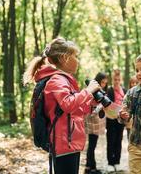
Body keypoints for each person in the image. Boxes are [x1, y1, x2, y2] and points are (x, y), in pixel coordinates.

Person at [23, 37, 101, 174]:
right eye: (75, 56)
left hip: (70, 141)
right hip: (64, 142)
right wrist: (87, 91)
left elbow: (75, 110)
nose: (78, 60)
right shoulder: (57, 80)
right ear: (65, 58)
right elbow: (68, 104)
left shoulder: (63, 79)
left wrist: (92, 103)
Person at [84, 72, 108, 174]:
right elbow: (90, 108)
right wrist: (99, 107)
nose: (103, 85)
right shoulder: (92, 91)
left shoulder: (101, 92)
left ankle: (90, 166)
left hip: (96, 123)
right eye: (102, 82)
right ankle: (90, 168)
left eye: (105, 83)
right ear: (98, 80)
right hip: (92, 122)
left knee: (92, 145)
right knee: (92, 146)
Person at [106, 69, 126, 172]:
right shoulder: (109, 90)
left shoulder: (124, 90)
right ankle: (110, 163)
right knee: (111, 141)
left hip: (120, 120)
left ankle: (117, 162)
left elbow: (126, 104)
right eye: (115, 79)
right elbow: (108, 104)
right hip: (111, 119)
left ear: (121, 80)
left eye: (118, 79)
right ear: (112, 80)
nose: (116, 81)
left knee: (119, 140)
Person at [125, 75, 138, 140]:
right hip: (130, 121)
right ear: (130, 84)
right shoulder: (128, 94)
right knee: (130, 138)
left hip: (138, 123)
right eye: (132, 83)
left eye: (136, 83)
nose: (134, 84)